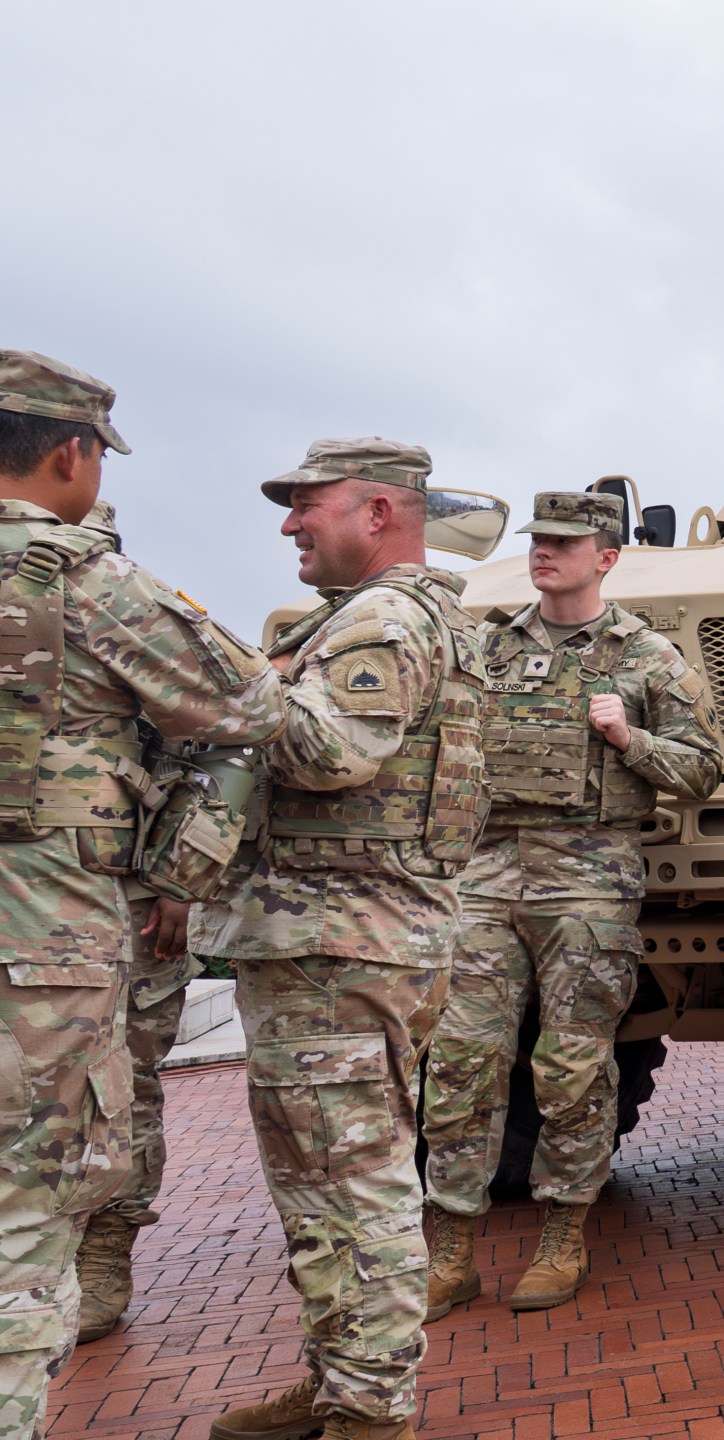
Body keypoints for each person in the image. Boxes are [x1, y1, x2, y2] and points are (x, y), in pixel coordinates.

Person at [0, 355, 283, 1438]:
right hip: (50, 944)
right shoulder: (87, 583)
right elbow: (250, 708)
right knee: (28, 1217)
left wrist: (179, 870)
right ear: (71, 454)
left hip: (90, 923)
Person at [195, 438, 488, 1440]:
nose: (288, 524)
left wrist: (233, 680)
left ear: (377, 511)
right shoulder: (385, 616)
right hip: (336, 940)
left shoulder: (388, 618)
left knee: (355, 1184)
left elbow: (329, 751)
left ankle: (371, 1410)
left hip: (343, 943)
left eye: (306, 505)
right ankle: (340, 1379)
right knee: (321, 1179)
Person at [420, 491, 719, 1318]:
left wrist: (632, 739)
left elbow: (701, 771)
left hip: (590, 880)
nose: (543, 552)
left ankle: (562, 1236)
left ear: (607, 557)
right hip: (486, 873)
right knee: (459, 1061)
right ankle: (450, 1251)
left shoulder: (648, 657)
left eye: (563, 541)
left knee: (573, 1065)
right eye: (538, 540)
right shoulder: (487, 647)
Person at [61, 503, 222, 1348]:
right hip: (35, 900)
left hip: (134, 901)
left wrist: (180, 885)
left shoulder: (142, 632)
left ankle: (106, 1255)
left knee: (127, 1087)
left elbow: (212, 759)